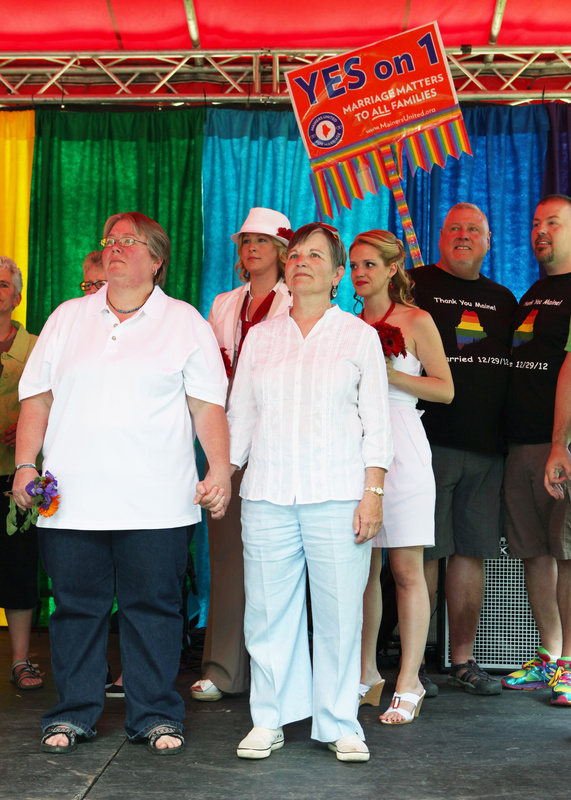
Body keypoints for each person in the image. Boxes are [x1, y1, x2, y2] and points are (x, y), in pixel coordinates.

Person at [13, 211, 231, 756]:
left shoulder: (185, 322)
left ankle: (155, 715)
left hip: (157, 501)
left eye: (129, 242)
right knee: (75, 609)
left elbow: (207, 405)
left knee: (153, 609)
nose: (115, 248)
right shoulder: (67, 316)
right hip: (71, 500)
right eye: (110, 241)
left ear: (156, 261)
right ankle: (73, 712)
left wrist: (220, 469)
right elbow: (36, 397)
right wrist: (25, 466)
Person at [228, 222, 393, 763]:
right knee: (269, 613)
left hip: (339, 493)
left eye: (315, 255)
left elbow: (378, 424)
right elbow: (242, 416)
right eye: (294, 254)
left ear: (339, 273)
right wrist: (220, 476)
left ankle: (340, 722)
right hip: (268, 493)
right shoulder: (262, 336)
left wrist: (373, 493)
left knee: (342, 613)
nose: (300, 261)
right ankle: (268, 719)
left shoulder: (358, 336)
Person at [412, 203, 517, 696]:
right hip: (425, 444)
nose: (463, 235)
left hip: (487, 449)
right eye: (453, 228)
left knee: (471, 552)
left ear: (488, 241)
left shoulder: (505, 298)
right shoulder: (413, 285)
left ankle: (462, 660)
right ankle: (413, 663)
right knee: (427, 552)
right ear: (439, 238)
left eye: (473, 229)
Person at [350, 231, 453, 724]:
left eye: (369, 264)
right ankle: (366, 673)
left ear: (392, 269)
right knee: (361, 571)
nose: (360, 273)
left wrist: (386, 374)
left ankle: (409, 679)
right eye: (353, 265)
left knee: (406, 570)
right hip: (352, 449)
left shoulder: (416, 320)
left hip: (404, 445)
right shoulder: (344, 324)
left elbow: (445, 389)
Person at [191, 207, 292, 703]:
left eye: (262, 241)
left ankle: (282, 674)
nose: (251, 248)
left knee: (281, 558)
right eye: (244, 241)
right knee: (228, 555)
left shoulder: (298, 300)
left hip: (281, 442)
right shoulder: (224, 302)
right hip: (228, 440)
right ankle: (223, 669)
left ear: (282, 250)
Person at [502, 195, 571, 701]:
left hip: (559, 448)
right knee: (533, 554)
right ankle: (550, 656)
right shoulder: (532, 293)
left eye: (553, 222)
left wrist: (559, 444)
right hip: (521, 445)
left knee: (567, 555)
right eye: (535, 222)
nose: (540, 230)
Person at [0, 258, 43, 691]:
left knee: (18, 566)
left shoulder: (37, 345)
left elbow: (58, 400)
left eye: (3, 284)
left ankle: (20, 659)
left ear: (17, 295)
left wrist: (32, 431)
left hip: (20, 479)